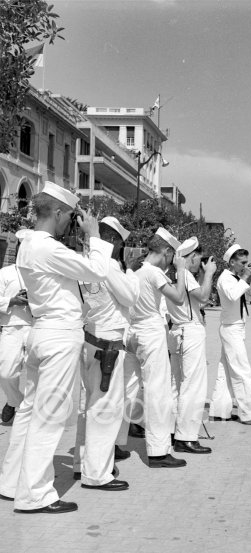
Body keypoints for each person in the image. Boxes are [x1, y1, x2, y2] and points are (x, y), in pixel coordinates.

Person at [0, 182, 113, 514]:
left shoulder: (29, 243)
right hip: (59, 335)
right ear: (60, 212)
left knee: (29, 411)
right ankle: (35, 493)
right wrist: (94, 234)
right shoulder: (47, 247)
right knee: (48, 416)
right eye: (71, 216)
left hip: (41, 333)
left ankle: (11, 482)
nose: (71, 223)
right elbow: (98, 270)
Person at [72, 217, 139, 489]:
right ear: (114, 241)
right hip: (108, 345)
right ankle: (97, 473)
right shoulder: (109, 266)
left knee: (88, 408)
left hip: (90, 340)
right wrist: (131, 271)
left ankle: (82, 464)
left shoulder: (86, 262)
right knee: (105, 411)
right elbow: (130, 297)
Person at [126, 227, 188, 468]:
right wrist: (181, 272)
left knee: (129, 388)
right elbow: (179, 298)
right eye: (172, 257)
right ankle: (158, 451)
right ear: (165, 251)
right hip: (151, 332)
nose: (172, 262)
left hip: (134, 331)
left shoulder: (136, 272)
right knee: (158, 392)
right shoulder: (154, 273)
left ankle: (117, 443)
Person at [209, 244, 251, 426]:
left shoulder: (237, 277)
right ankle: (250, 414)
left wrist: (250, 279)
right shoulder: (225, 279)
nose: (245, 265)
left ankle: (220, 411)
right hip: (231, 328)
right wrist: (244, 278)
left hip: (235, 327)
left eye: (247, 262)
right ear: (232, 262)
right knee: (242, 371)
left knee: (226, 371)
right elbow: (232, 296)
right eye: (242, 262)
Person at [166, 237, 216, 454]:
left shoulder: (175, 275)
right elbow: (203, 297)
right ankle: (186, 438)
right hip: (190, 330)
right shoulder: (185, 275)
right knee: (193, 387)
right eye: (199, 259)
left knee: (177, 386)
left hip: (177, 330)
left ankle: (172, 431)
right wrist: (210, 273)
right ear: (192, 256)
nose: (200, 264)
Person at [0, 230, 33, 424]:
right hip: (11, 326)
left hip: (37, 326)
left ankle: (29, 412)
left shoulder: (42, 273)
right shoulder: (5, 273)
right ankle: (14, 401)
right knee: (6, 372)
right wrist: (11, 301)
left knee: (37, 376)